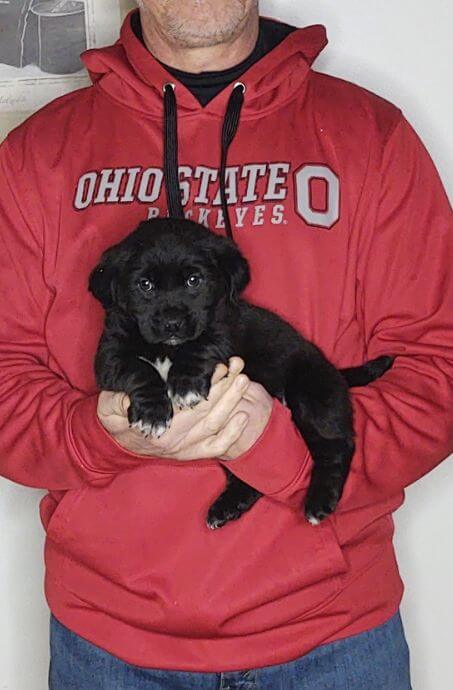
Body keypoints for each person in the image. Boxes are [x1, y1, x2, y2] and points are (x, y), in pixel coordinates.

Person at [0, 1, 451, 688]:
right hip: (108, 645)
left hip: (332, 637)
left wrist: (286, 454)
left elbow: (436, 372)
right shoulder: (37, 154)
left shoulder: (371, 136)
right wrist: (95, 436)